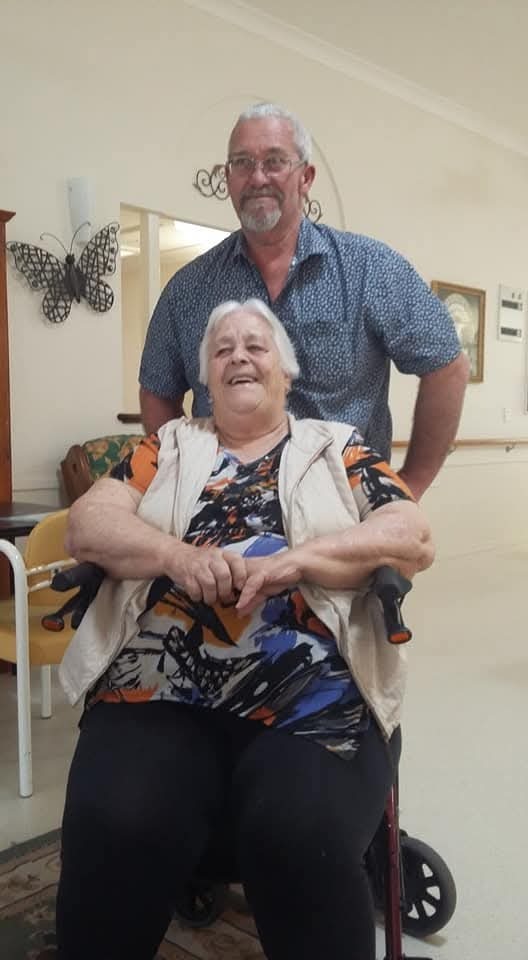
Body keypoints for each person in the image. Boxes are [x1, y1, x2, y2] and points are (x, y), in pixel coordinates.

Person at [56, 298, 434, 960]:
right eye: (222, 349)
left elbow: (411, 533)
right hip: (158, 688)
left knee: (299, 839)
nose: (239, 357)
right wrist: (178, 557)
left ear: (286, 371)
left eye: (256, 346)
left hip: (312, 693)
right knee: (114, 821)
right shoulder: (167, 446)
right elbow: (88, 523)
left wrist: (301, 561)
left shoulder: (337, 446)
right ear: (206, 376)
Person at [139, 101, 469, 500]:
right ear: (227, 178)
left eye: (275, 161)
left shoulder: (370, 269)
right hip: (226, 513)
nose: (257, 177)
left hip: (346, 510)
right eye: (242, 163)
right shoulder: (189, 289)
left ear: (306, 177)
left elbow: (447, 365)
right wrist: (183, 477)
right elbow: (157, 390)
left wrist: (410, 485)